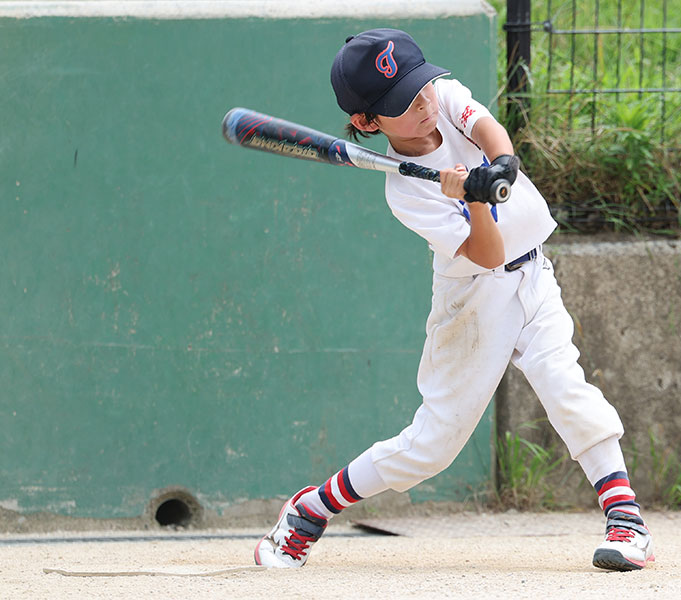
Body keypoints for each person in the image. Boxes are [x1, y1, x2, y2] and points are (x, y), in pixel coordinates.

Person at [254, 28, 654, 572]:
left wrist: (502, 168)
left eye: (420, 88)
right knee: (432, 446)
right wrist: (476, 202)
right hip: (474, 300)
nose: (421, 105)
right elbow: (486, 256)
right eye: (401, 104)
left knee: (565, 384)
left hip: (535, 274)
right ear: (369, 123)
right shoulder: (407, 193)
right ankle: (312, 508)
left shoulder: (438, 97)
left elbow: (487, 128)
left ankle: (626, 521)